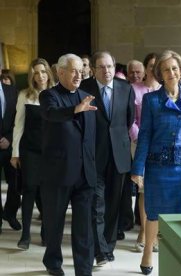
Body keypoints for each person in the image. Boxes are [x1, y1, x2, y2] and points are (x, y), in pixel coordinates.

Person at [131, 50, 181, 275]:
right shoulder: (151, 99)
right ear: (160, 74)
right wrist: (138, 169)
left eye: (174, 68)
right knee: (154, 212)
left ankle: (179, 256)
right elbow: (144, 135)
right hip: (158, 166)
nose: (171, 72)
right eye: (166, 69)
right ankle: (148, 255)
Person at [39, 53, 97, 276]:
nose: (79, 74)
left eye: (81, 70)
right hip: (58, 173)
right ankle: (53, 262)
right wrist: (75, 110)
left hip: (85, 174)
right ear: (60, 72)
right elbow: (51, 115)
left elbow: (91, 137)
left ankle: (84, 270)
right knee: (54, 224)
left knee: (84, 228)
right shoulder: (49, 96)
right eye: (73, 70)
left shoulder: (87, 96)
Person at [79, 51, 135, 266]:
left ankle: (108, 246)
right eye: (101, 67)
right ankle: (100, 251)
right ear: (93, 69)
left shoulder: (125, 88)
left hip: (119, 156)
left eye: (110, 66)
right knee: (97, 204)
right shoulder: (85, 89)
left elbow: (128, 121)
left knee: (113, 205)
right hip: (93, 156)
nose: (107, 71)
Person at [11, 58, 55, 250]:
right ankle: (26, 235)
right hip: (29, 149)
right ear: (32, 76)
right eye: (36, 72)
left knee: (47, 192)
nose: (40, 76)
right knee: (29, 188)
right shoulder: (25, 95)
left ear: (48, 73)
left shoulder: (56, 93)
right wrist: (15, 153)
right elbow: (18, 125)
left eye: (43, 71)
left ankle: (46, 233)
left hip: (51, 152)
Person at [128, 52, 161, 253]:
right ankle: (143, 232)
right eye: (150, 66)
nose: (153, 70)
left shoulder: (166, 90)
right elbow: (128, 117)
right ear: (146, 68)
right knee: (143, 189)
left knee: (157, 189)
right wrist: (138, 136)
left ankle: (154, 234)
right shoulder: (134, 89)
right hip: (140, 142)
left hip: (162, 146)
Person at [0, 68, 19, 234]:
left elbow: (18, 117)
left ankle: (10, 214)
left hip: (9, 144)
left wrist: (9, 138)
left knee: (15, 183)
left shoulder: (12, 90)